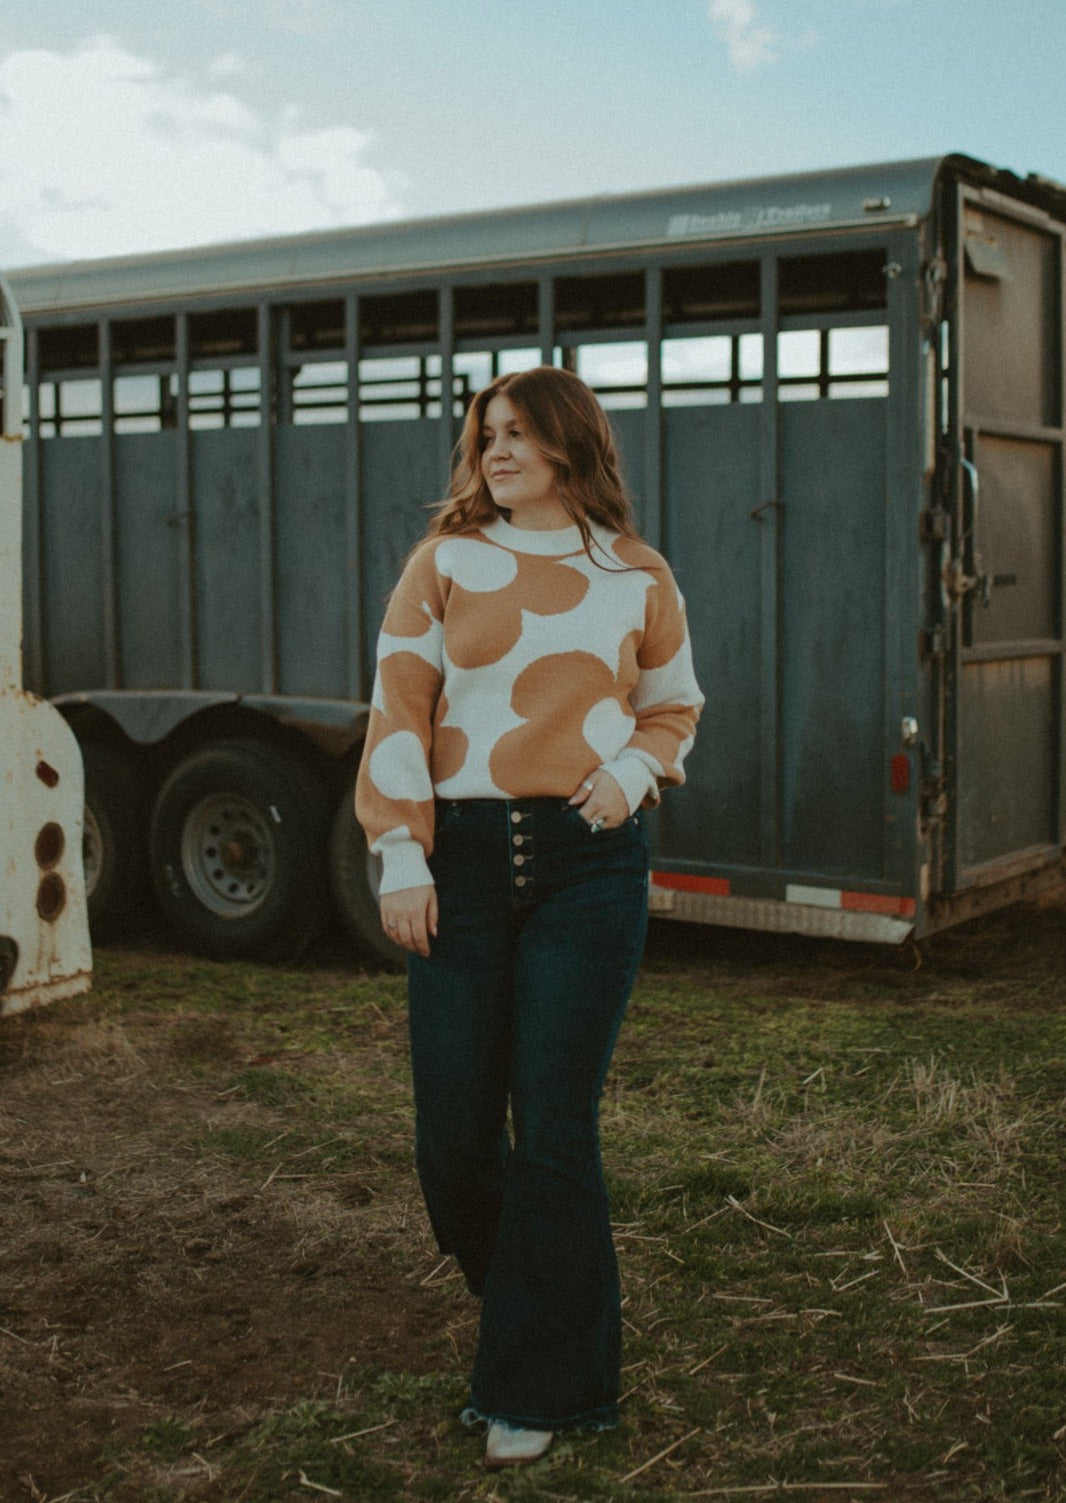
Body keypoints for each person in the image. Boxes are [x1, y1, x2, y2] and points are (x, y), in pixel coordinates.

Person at [355, 366, 702, 1469]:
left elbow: (674, 705)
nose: (493, 451)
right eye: (484, 435)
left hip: (586, 868)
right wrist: (400, 853)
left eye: (516, 434)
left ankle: (540, 1385)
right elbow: (398, 707)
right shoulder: (443, 563)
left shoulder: (633, 572)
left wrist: (634, 776)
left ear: (567, 445)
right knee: (453, 1142)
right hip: (458, 862)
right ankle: (538, 1310)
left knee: (553, 1133)